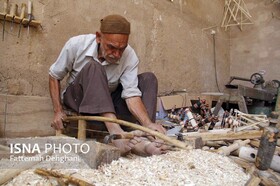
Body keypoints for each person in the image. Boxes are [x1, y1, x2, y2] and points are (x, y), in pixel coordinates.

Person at [49, 14, 169, 156]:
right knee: (94, 67)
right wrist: (57, 110)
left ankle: (144, 138)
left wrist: (147, 123)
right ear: (99, 37)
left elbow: (131, 94)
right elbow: (54, 76)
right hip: (79, 100)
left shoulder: (129, 56)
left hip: (109, 104)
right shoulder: (76, 45)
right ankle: (116, 132)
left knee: (148, 79)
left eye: (121, 49)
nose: (117, 54)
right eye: (111, 47)